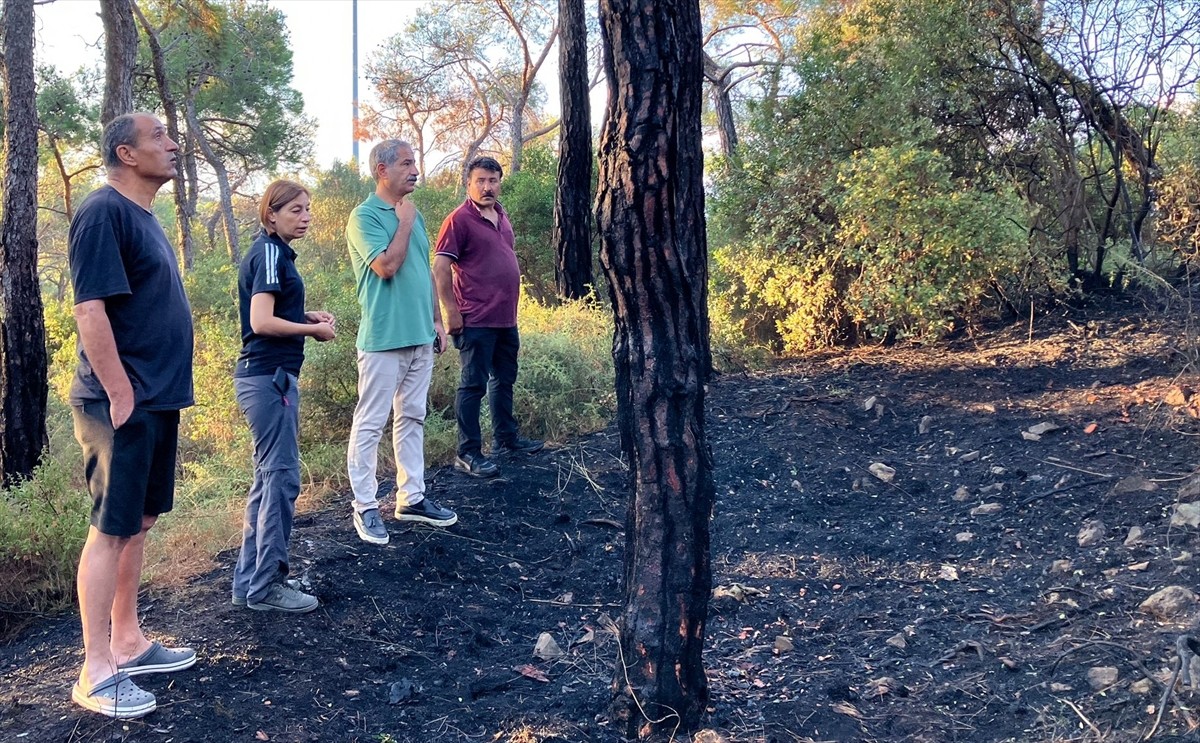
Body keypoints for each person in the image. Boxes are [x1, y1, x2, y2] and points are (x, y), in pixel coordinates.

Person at [67, 112, 197, 719]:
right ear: (126, 151)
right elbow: (89, 309)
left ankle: (129, 640)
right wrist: (120, 393)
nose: (173, 144)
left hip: (155, 398)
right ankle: (95, 672)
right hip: (121, 400)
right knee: (111, 526)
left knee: (139, 520)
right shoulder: (102, 211)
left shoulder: (145, 217)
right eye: (159, 138)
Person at [231, 180, 335, 613]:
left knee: (268, 480)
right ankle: (267, 586)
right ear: (270, 214)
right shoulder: (271, 252)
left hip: (265, 378)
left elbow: (272, 313)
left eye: (308, 209)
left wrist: (302, 315)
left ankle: (247, 584)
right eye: (295, 209)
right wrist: (312, 329)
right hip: (270, 379)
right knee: (281, 479)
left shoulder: (270, 253)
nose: (305, 216)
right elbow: (260, 322)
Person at [346, 139, 456, 545]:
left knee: (412, 418)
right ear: (382, 170)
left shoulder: (416, 213)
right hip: (382, 339)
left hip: (419, 336)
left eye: (416, 162)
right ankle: (365, 505)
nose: (415, 170)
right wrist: (404, 221)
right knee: (371, 423)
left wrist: (436, 321)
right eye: (407, 163)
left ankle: (411, 498)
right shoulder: (364, 217)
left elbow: (422, 269)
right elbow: (387, 267)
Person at [433, 156, 544, 479]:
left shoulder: (501, 214)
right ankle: (467, 453)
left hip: (505, 318)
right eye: (480, 180)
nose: (487, 187)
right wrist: (450, 313)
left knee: (504, 379)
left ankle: (507, 439)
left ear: (499, 182)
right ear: (469, 183)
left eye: (493, 180)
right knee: (472, 385)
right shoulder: (458, 220)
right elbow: (440, 269)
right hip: (475, 318)